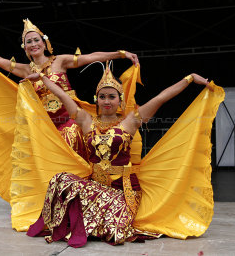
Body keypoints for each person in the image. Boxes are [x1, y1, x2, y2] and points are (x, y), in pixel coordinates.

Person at [20, 62, 223, 246]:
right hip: (95, 187)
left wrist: (189, 78)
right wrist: (42, 79)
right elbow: (63, 96)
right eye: (102, 96)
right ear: (96, 99)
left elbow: (161, 97)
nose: (107, 101)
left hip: (124, 192)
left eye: (111, 96)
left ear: (120, 100)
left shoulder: (131, 121)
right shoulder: (85, 120)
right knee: (60, 180)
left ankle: (95, 221)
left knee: (111, 229)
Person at [0, 19, 139, 159]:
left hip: (68, 122)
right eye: (29, 42)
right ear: (25, 47)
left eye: (36, 40)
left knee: (73, 149)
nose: (33, 44)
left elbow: (91, 57)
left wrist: (120, 54)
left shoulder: (60, 61)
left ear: (44, 42)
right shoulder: (25, 69)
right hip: (43, 126)